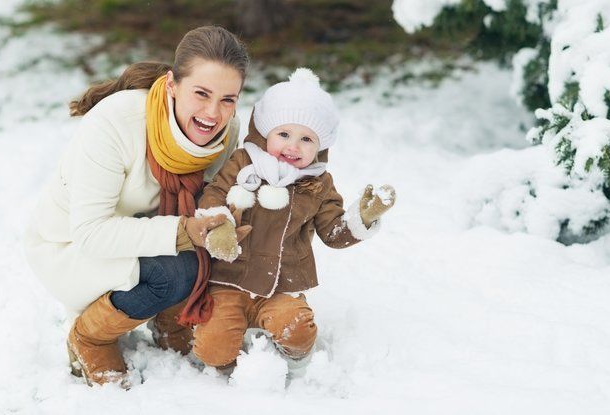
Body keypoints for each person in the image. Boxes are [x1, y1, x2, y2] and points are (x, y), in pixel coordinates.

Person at [24, 25, 249, 387]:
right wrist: (182, 232)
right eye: (201, 93)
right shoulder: (117, 122)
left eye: (228, 99)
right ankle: (89, 337)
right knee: (173, 271)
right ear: (173, 84)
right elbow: (91, 233)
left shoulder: (225, 131)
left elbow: (210, 201)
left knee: (210, 255)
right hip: (70, 248)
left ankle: (169, 320)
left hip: (141, 234)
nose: (213, 113)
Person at [183, 68, 396, 369]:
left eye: (306, 138)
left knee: (297, 331)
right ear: (266, 132)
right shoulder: (244, 163)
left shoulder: (318, 182)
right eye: (283, 134)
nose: (293, 146)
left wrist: (362, 217)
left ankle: (293, 354)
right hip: (229, 280)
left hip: (282, 284)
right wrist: (218, 226)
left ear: (320, 146)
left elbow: (333, 232)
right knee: (214, 351)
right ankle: (225, 344)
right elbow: (214, 195)